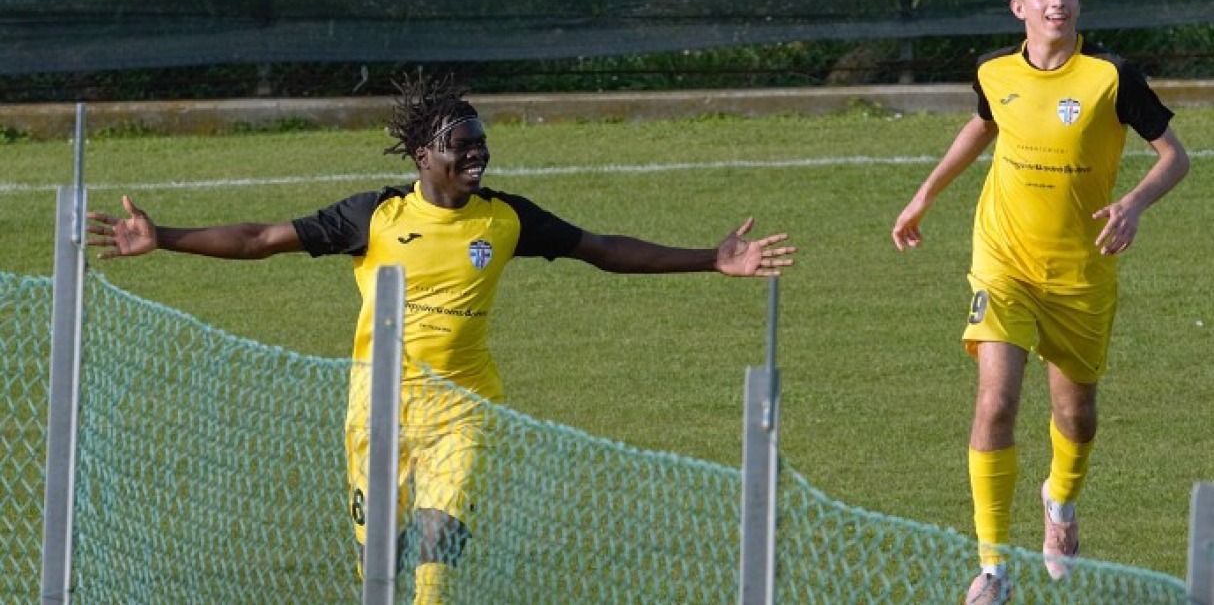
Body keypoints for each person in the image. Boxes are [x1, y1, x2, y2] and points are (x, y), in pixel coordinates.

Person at [86, 72, 796, 604]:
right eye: (463, 145)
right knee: (381, 561)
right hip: (377, 407)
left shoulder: (506, 219)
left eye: (482, 142)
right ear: (425, 154)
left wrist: (710, 257)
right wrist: (165, 237)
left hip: (464, 404)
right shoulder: (375, 217)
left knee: (437, 543)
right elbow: (260, 238)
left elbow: (603, 248)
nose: (478, 154)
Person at [890, 0, 1189, 605]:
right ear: (1020, 7)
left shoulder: (1112, 78)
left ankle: (1059, 500)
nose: (1059, 1)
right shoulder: (994, 71)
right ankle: (993, 565)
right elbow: (983, 124)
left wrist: (1135, 203)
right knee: (994, 401)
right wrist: (924, 196)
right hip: (1003, 261)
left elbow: (1175, 154)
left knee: (1075, 416)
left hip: (1082, 273)